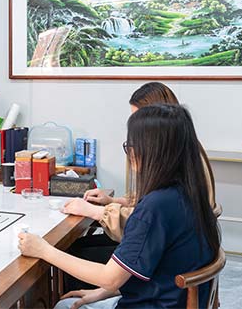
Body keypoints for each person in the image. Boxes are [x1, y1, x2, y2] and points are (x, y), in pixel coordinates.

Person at [18, 104, 220, 309]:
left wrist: (44, 250)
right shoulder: (189, 192)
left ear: (150, 151)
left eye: (131, 146)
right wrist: (103, 292)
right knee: (70, 301)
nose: (129, 153)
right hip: (170, 299)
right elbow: (150, 269)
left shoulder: (155, 207)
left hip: (152, 304)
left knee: (62, 305)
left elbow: (110, 278)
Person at [61, 82, 217, 292]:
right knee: (79, 249)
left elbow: (111, 278)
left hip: (158, 292)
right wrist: (113, 201)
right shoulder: (184, 174)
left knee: (73, 257)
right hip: (170, 279)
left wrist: (43, 249)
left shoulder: (158, 204)